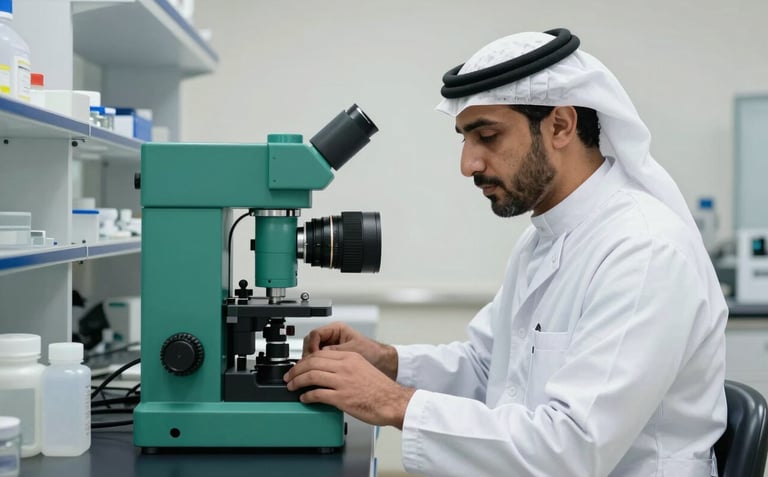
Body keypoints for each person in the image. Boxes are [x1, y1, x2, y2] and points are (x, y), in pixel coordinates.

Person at [284, 28, 727, 476]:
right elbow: (489, 370)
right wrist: (388, 362)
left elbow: (571, 449)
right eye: (465, 139)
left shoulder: (643, 252)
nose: (467, 164)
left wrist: (391, 402)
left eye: (487, 136)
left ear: (560, 125)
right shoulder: (544, 239)